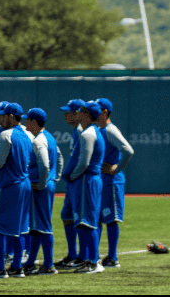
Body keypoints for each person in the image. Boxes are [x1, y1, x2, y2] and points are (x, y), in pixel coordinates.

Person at [0, 102, 33, 279]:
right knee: (19, 227)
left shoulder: (5, 135)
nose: (1, 118)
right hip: (24, 183)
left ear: (11, 116)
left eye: (4, 115)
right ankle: (17, 266)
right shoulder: (27, 134)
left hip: (9, 183)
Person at [62, 101, 106, 274]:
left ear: (87, 114)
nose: (78, 114)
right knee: (84, 221)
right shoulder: (91, 132)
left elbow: (84, 162)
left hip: (86, 180)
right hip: (88, 180)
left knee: (87, 222)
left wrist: (72, 176)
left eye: (81, 111)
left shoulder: (88, 133)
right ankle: (89, 260)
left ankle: (94, 262)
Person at [22, 108, 63, 275]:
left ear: (33, 122)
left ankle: (48, 264)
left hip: (41, 187)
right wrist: (55, 178)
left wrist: (42, 182)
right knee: (37, 226)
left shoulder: (39, 140)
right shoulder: (49, 137)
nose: (25, 123)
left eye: (28, 120)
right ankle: (31, 261)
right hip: (47, 184)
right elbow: (59, 158)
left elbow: (45, 165)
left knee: (44, 226)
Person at [95, 98, 134, 268]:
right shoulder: (100, 129)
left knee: (110, 219)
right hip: (103, 181)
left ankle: (112, 257)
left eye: (97, 110)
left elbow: (128, 150)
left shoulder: (110, 130)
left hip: (112, 181)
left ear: (104, 112)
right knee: (97, 218)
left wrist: (116, 169)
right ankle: (93, 255)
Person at [54, 99, 86, 269]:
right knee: (67, 216)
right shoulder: (76, 131)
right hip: (73, 181)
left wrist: (74, 174)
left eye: (70, 112)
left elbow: (84, 158)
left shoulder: (82, 131)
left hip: (79, 181)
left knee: (80, 218)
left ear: (78, 113)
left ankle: (83, 255)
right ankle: (73, 254)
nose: (66, 115)